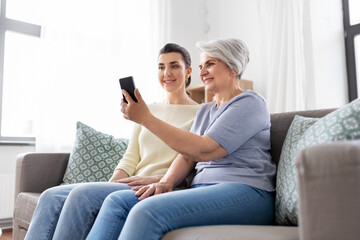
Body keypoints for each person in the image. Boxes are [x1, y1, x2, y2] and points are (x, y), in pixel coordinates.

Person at [86, 38, 277, 240]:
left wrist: (146, 118)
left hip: (248, 191)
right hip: (203, 188)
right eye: (201, 66)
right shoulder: (206, 111)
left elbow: (204, 150)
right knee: (117, 202)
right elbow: (187, 157)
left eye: (210, 64)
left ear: (233, 68)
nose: (202, 72)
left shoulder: (249, 102)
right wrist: (165, 182)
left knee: (146, 212)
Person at [24, 43, 200, 240]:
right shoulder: (145, 110)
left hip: (160, 186)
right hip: (130, 182)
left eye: (174, 66)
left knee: (81, 195)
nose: (167, 72)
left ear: (188, 71)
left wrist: (160, 179)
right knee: (50, 196)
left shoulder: (201, 113)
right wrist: (111, 184)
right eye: (161, 67)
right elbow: (130, 157)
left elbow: (194, 163)